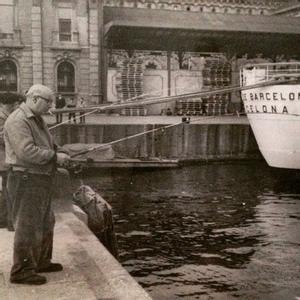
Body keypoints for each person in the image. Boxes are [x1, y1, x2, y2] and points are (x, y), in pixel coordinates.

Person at [4, 84, 70, 285]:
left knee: (46, 222)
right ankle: (22, 271)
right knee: (28, 226)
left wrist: (59, 151)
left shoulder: (38, 118)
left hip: (40, 178)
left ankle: (41, 261)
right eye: (47, 101)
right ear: (33, 99)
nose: (51, 105)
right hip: (26, 179)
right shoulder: (18, 120)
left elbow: (47, 143)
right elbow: (27, 152)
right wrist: (54, 157)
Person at [0, 92, 24, 231]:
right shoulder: (1, 117)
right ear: (7, 104)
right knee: (10, 191)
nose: (16, 106)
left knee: (8, 191)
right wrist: (17, 139)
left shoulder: (7, 115)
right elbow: (2, 137)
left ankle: (5, 219)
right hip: (3, 159)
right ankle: (10, 222)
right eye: (15, 104)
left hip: (5, 159)